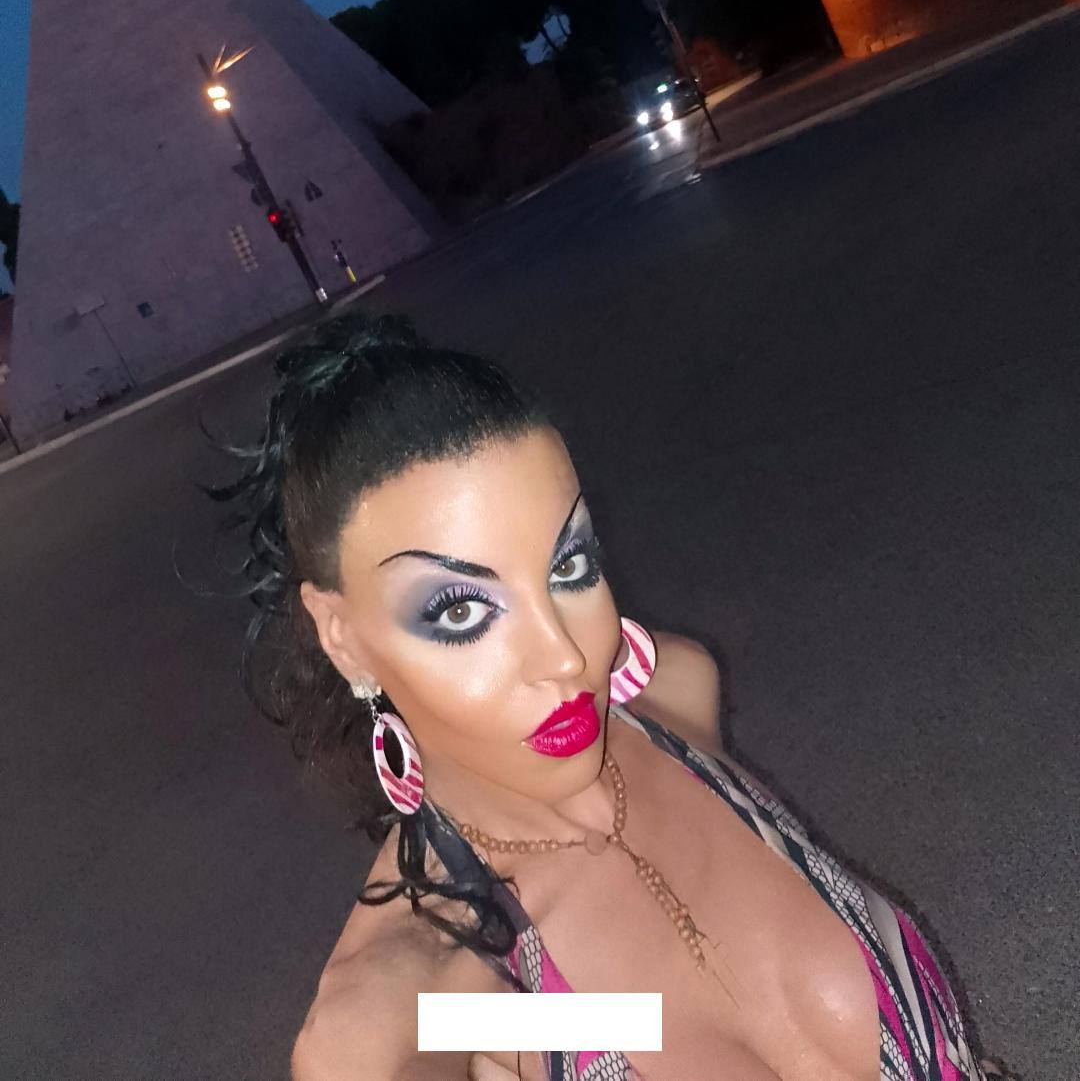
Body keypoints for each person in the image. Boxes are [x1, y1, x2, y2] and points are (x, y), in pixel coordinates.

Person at [203, 311, 1012, 1081]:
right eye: (460, 610)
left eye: (568, 566)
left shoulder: (673, 697)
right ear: (343, 637)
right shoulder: (427, 991)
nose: (565, 655)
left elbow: (647, 1017)